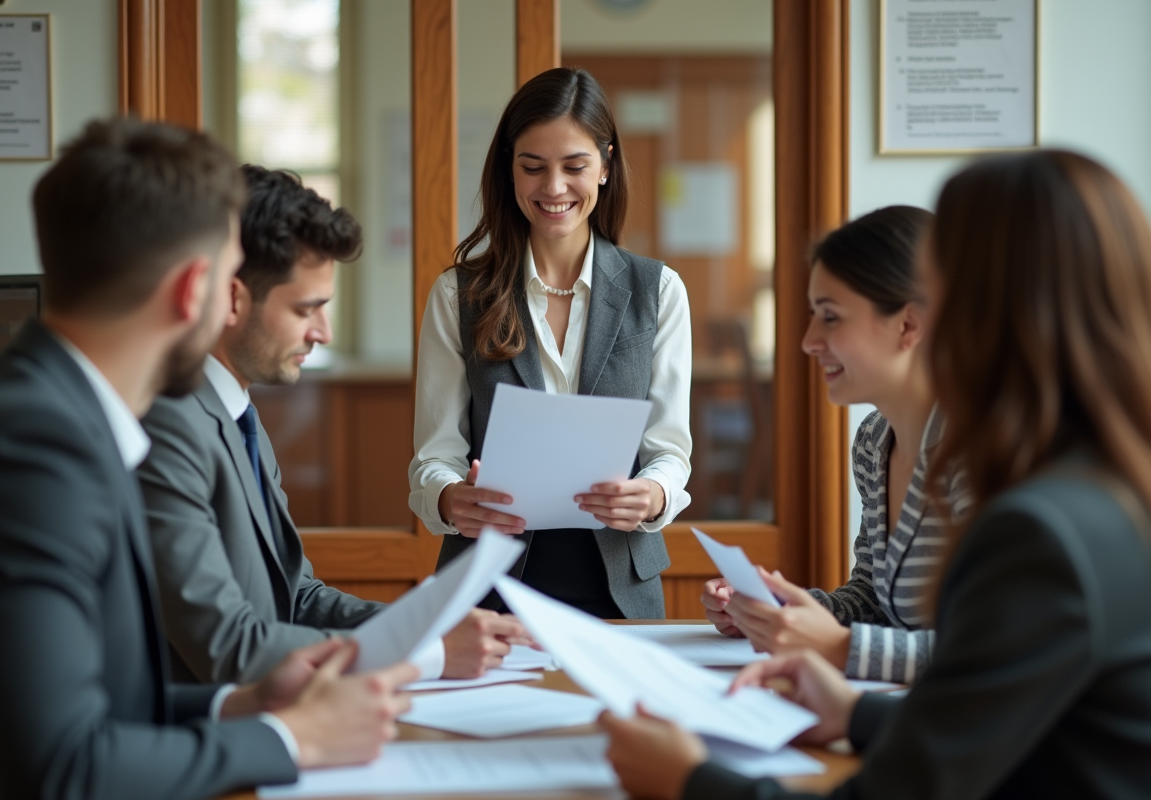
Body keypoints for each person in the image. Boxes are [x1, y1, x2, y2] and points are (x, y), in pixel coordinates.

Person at [601, 149, 1151, 798]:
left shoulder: (1040, 527)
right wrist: (855, 711)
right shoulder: (1095, 483)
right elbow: (1002, 709)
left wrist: (688, 781)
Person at [0, 119, 418, 800]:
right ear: (196, 289)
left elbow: (98, 706)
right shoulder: (32, 445)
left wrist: (242, 707)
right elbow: (59, 768)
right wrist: (295, 740)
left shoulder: (62, 415)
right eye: (230, 273)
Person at [138, 165, 527, 685]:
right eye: (307, 309)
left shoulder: (239, 416)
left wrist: (427, 626)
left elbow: (296, 596)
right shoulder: (166, 425)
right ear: (232, 299)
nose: (322, 332)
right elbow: (225, 643)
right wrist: (426, 654)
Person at [408, 67, 693, 619]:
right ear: (508, 171)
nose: (554, 188)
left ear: (606, 165)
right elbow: (434, 455)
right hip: (488, 589)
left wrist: (653, 494)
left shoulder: (657, 290)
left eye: (575, 166)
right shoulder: (458, 294)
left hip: (621, 589)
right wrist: (449, 496)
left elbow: (669, 451)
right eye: (532, 167)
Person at [701, 206, 969, 683]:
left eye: (830, 317)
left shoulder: (980, 452)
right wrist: (780, 611)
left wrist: (842, 648)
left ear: (909, 326)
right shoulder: (873, 442)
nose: (808, 341)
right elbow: (873, 599)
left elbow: (1000, 654)